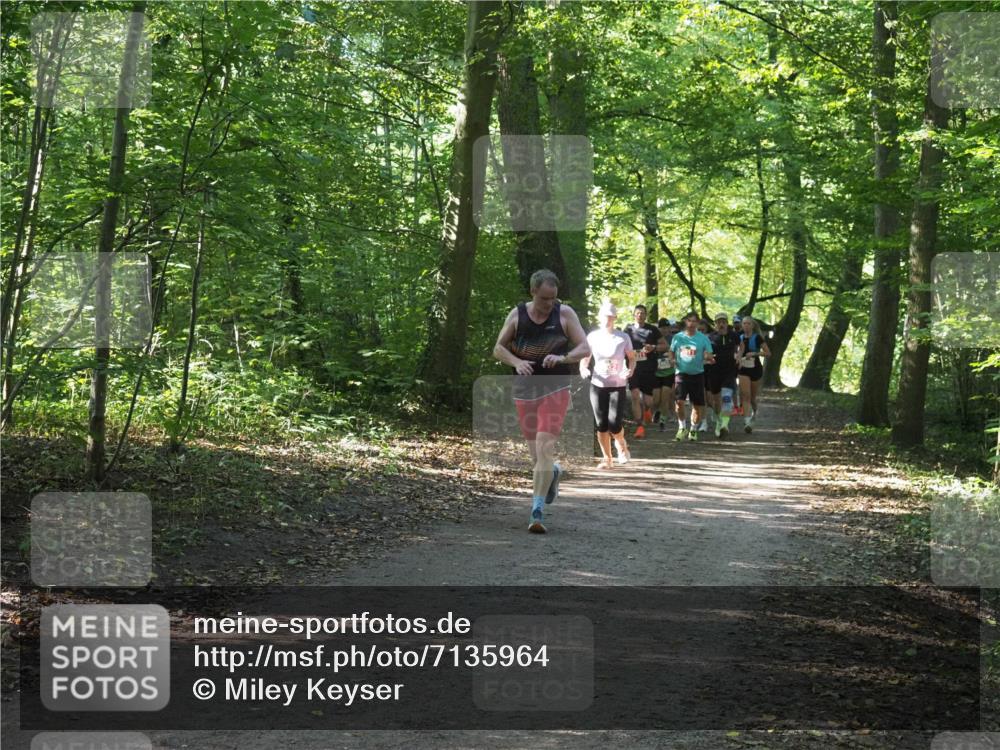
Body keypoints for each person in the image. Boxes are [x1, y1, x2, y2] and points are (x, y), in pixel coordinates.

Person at [493, 269, 589, 533]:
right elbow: (498, 348)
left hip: (556, 387)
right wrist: (517, 361)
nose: (550, 304)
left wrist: (564, 358)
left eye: (553, 298)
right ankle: (553, 472)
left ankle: (536, 511)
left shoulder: (565, 313)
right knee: (537, 457)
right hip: (525, 389)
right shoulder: (517, 315)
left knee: (545, 447)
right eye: (545, 298)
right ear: (533, 292)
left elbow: (584, 347)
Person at [580, 301, 635, 469]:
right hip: (598, 383)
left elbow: (631, 358)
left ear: (615, 318)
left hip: (617, 384)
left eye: (611, 317)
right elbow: (585, 358)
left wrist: (630, 370)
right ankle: (607, 459)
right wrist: (583, 368)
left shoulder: (623, 337)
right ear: (599, 317)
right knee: (601, 424)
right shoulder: (592, 337)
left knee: (614, 423)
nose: (607, 320)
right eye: (605, 316)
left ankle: (621, 445)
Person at [670, 311, 715, 441]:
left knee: (697, 404)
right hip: (681, 373)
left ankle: (694, 429)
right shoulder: (678, 337)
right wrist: (672, 360)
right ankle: (682, 427)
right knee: (679, 402)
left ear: (698, 323)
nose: (691, 323)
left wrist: (708, 357)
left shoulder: (703, 338)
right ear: (685, 321)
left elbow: (709, 353)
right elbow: (671, 352)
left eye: (694, 321)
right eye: (689, 320)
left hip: (697, 374)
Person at [623, 304, 664, 439]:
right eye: (638, 313)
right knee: (635, 395)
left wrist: (653, 347)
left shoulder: (652, 330)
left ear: (646, 315)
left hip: (649, 368)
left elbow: (665, 345)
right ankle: (639, 426)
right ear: (634, 315)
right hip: (633, 368)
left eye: (642, 313)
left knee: (648, 401)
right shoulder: (628, 330)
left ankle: (647, 411)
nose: (640, 315)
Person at [707, 313, 741, 438]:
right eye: (718, 322)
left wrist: (739, 355)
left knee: (726, 397)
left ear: (727, 323)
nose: (721, 324)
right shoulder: (710, 337)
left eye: (723, 322)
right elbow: (705, 351)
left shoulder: (734, 335)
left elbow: (740, 346)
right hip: (714, 371)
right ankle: (719, 422)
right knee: (716, 402)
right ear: (715, 324)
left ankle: (724, 425)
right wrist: (707, 356)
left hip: (729, 370)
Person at [737, 315, 771, 434]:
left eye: (748, 324)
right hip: (743, 370)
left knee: (752, 398)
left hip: (755, 369)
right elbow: (736, 352)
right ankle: (747, 422)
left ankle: (755, 413)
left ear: (752, 326)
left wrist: (755, 354)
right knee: (745, 395)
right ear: (742, 325)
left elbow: (768, 353)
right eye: (744, 323)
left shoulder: (757, 338)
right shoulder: (739, 337)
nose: (746, 325)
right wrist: (737, 358)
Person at [652, 318, 676, 432]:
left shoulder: (673, 339)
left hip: (669, 372)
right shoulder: (654, 339)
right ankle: (656, 411)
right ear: (659, 328)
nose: (665, 330)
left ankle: (662, 420)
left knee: (665, 396)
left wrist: (673, 360)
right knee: (656, 399)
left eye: (667, 328)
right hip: (656, 373)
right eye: (663, 328)